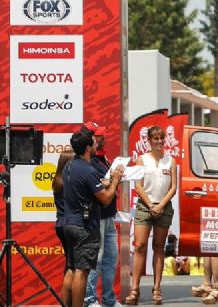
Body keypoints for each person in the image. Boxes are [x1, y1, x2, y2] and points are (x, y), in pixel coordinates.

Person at [63, 130, 124, 307]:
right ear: (88, 148)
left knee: (73, 270)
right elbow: (105, 199)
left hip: (70, 224)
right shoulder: (88, 170)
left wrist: (105, 183)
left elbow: (86, 186)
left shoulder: (69, 166)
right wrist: (115, 181)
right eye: (94, 142)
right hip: (85, 227)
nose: (98, 144)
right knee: (82, 272)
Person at [125, 126, 178, 306]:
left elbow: (173, 188)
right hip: (144, 206)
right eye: (155, 138)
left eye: (161, 138)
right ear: (149, 140)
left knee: (159, 247)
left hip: (164, 206)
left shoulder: (171, 161)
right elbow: (137, 185)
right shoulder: (142, 159)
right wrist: (150, 205)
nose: (159, 141)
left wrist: (161, 205)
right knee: (139, 245)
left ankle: (156, 289)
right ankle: (135, 289)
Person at [82, 121, 121, 307]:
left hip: (109, 215)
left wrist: (116, 177)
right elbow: (102, 186)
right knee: (96, 260)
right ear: (90, 138)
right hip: (97, 216)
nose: (103, 137)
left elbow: (108, 182)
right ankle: (90, 300)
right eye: (98, 135)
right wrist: (114, 179)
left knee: (110, 259)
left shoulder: (102, 157)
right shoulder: (88, 160)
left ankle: (109, 299)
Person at [52, 151, 75, 303]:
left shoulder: (57, 181)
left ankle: (68, 302)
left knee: (70, 264)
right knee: (72, 267)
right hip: (71, 225)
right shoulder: (70, 182)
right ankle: (67, 303)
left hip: (61, 224)